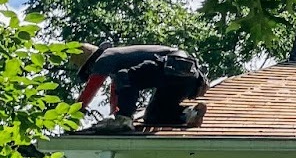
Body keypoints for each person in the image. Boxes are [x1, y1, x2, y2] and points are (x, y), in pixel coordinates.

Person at [73, 44, 208, 131]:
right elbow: (117, 92)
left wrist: (73, 112)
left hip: (170, 64)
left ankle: (124, 120)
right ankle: (189, 114)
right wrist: (115, 114)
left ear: (90, 64)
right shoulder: (117, 60)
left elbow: (91, 89)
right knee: (153, 116)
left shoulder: (104, 59)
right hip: (190, 77)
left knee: (124, 76)